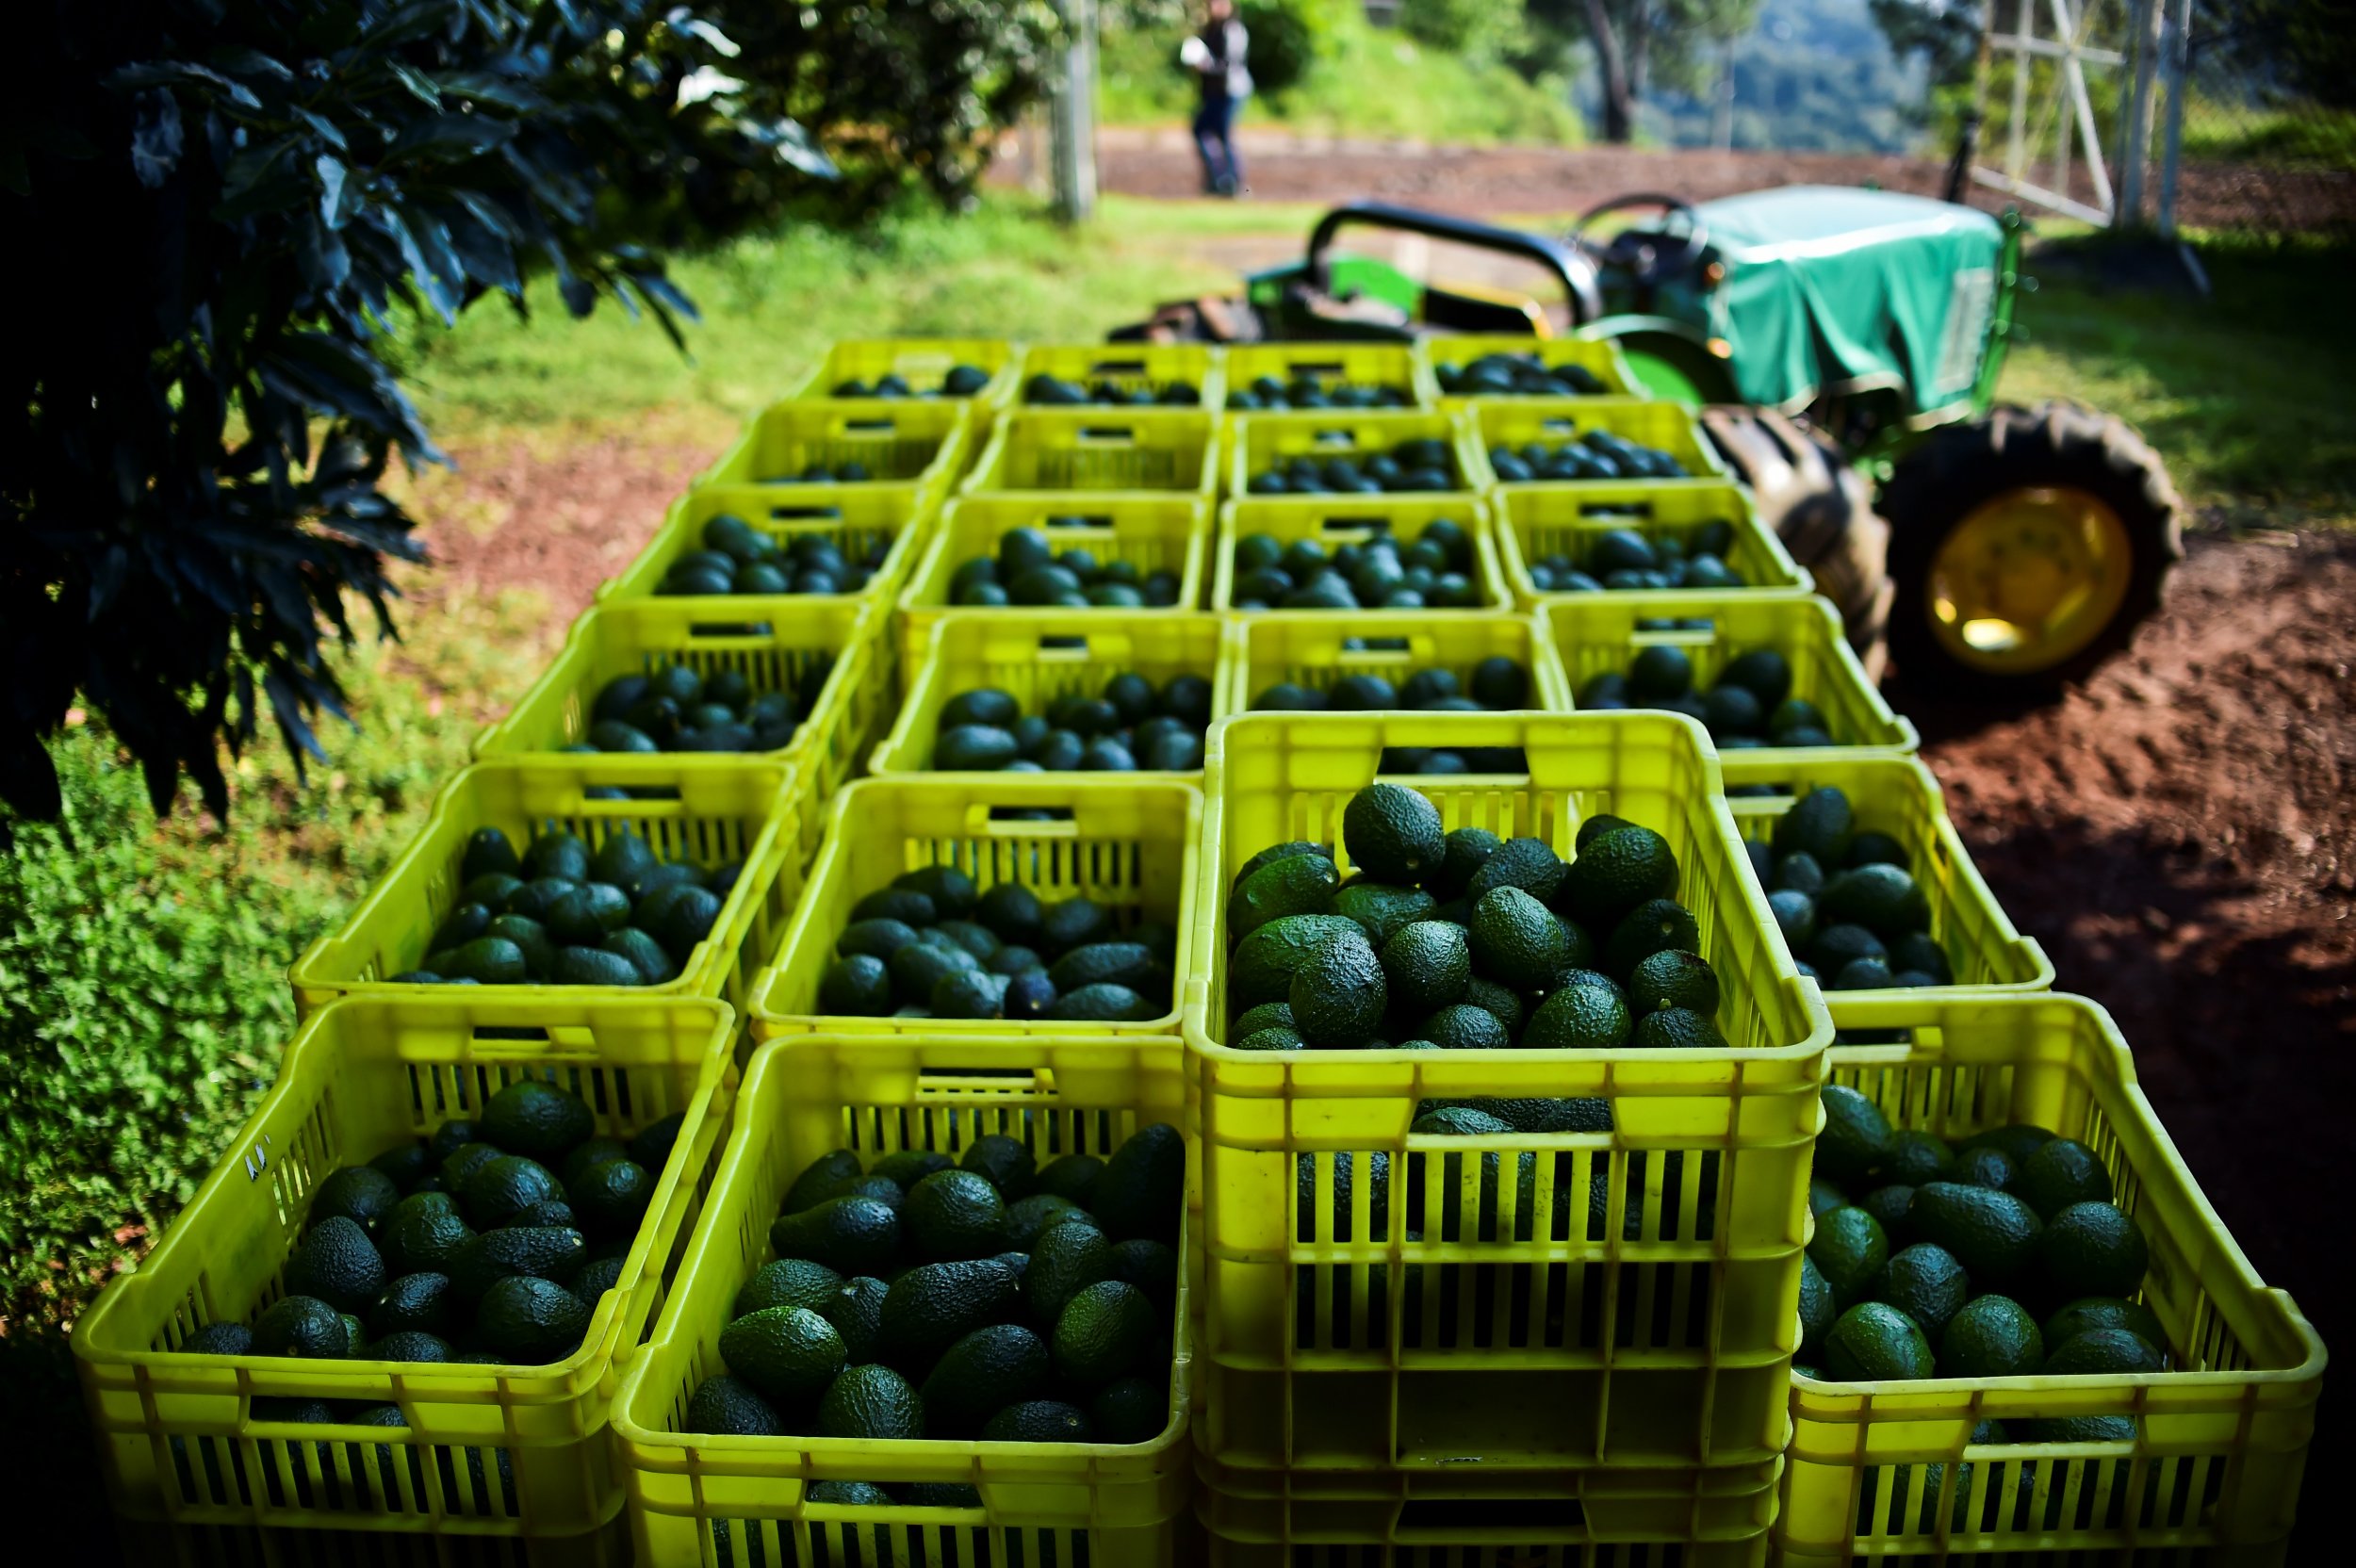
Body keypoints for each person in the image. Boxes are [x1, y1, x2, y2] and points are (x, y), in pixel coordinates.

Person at [1181, 1, 1251, 197]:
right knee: (1201, 130)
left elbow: (1231, 64)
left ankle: (1234, 184)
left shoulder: (1233, 30)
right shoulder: (1211, 28)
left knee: (1223, 135)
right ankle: (1218, 179)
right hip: (1215, 92)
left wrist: (1206, 66)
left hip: (1231, 91)